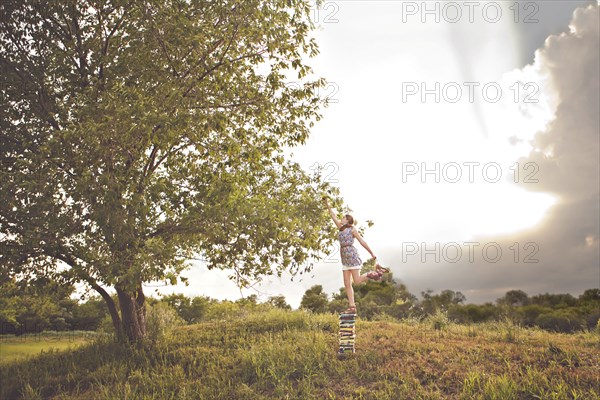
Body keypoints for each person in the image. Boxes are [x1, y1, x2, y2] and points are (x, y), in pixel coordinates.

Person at [323, 197, 389, 314]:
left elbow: (361, 241)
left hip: (352, 255)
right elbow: (333, 215)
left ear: (348, 221)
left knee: (357, 281)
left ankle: (370, 274)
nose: (341, 218)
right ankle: (352, 306)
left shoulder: (352, 229)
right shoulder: (340, 227)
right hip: (344, 258)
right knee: (347, 283)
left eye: (343, 217)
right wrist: (327, 204)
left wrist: (371, 253)